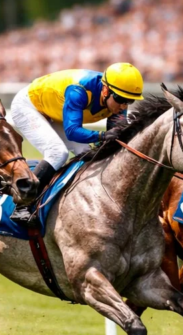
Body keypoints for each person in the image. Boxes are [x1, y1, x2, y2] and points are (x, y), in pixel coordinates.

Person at [8, 63, 143, 223]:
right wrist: (102, 135)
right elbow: (72, 131)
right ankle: (22, 205)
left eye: (129, 101)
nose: (123, 106)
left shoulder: (116, 97)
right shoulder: (79, 91)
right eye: (120, 99)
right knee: (58, 153)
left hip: (56, 111)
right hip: (28, 106)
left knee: (87, 154)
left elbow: (117, 135)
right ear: (106, 90)